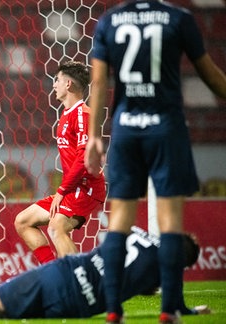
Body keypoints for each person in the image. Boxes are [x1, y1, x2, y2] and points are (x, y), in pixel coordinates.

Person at [84, 1, 226, 323]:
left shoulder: (109, 21)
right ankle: (170, 307)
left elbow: (98, 82)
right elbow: (210, 75)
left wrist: (94, 136)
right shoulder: (179, 19)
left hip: (126, 130)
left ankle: (112, 309)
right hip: (166, 129)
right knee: (170, 220)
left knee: (119, 219)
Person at [0, 227, 210, 322]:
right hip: (82, 304)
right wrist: (189, 309)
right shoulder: (164, 271)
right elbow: (169, 300)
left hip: (66, 271)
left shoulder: (137, 232)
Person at [14, 61, 106, 264]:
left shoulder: (83, 115)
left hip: (86, 186)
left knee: (57, 227)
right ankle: (54, 272)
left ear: (69, 85)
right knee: (23, 222)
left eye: (57, 80)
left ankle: (78, 280)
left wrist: (63, 190)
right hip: (73, 187)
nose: (54, 85)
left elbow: (84, 158)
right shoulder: (66, 114)